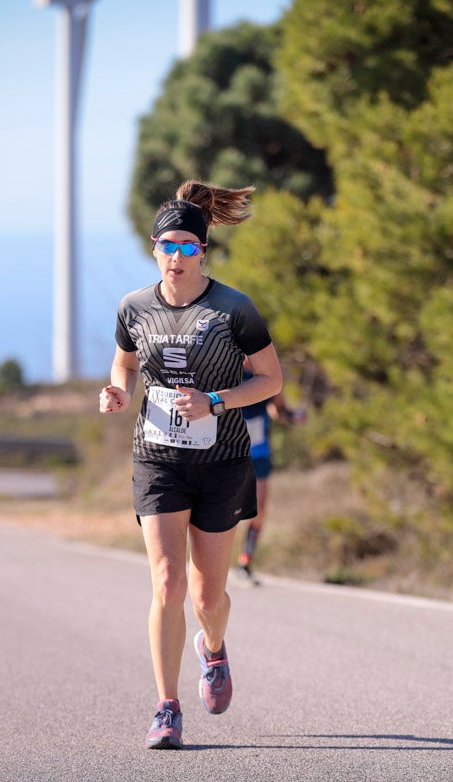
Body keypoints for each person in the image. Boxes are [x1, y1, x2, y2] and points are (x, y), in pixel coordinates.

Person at [99, 179, 282, 750]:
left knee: (208, 597)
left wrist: (217, 400)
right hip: (158, 458)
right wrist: (117, 390)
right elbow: (124, 364)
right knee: (168, 582)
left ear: (203, 251)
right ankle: (166, 708)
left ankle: (215, 649)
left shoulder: (234, 308)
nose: (176, 257)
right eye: (167, 246)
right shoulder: (134, 307)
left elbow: (271, 379)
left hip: (223, 458)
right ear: (153, 248)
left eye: (187, 247)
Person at [237, 362, 305, 586]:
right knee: (220, 509)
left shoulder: (266, 373)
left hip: (258, 453)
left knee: (259, 511)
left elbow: (278, 409)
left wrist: (294, 417)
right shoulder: (227, 367)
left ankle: (245, 563)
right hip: (229, 453)